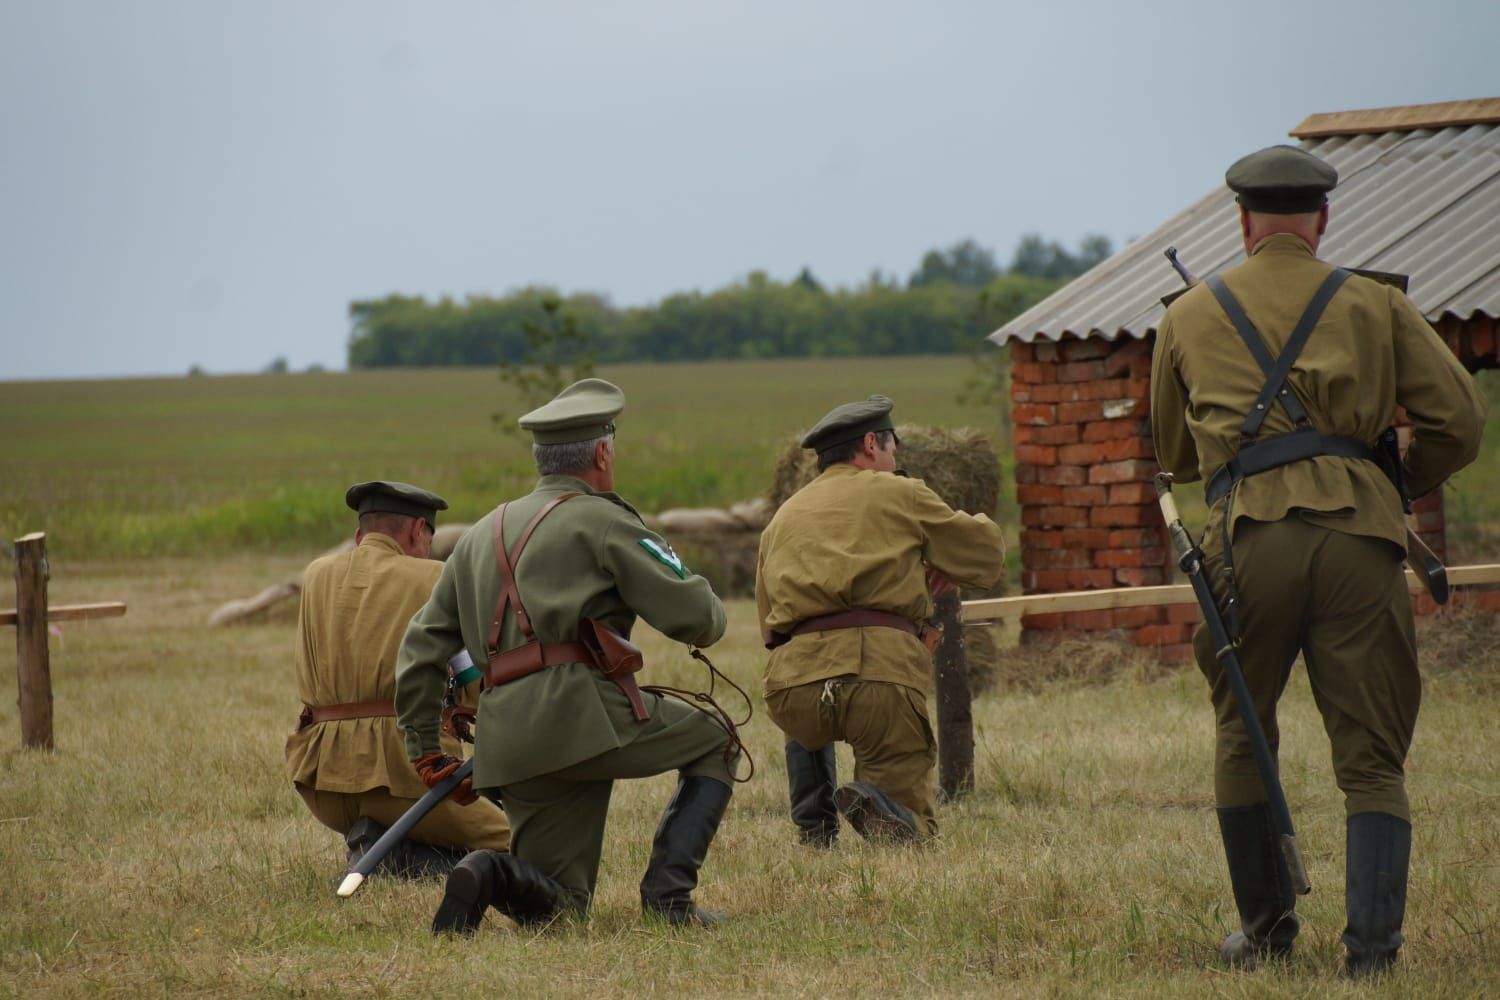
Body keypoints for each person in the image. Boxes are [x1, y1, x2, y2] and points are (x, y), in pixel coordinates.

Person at [1151, 144, 1486, 977]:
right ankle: (1372, 954)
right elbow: (1463, 421)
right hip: (1360, 541)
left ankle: (1265, 935)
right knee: (1372, 757)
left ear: (1242, 222)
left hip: (1247, 543)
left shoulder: (1188, 314)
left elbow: (1174, 455)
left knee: (1242, 728)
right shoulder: (1374, 303)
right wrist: (1395, 480)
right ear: (1323, 219)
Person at [395, 378, 737, 935]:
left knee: (560, 912)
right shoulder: (604, 520)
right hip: (587, 719)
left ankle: (487, 873)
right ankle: (669, 900)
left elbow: (420, 647)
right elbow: (700, 620)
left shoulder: (481, 533)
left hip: (509, 735)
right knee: (718, 737)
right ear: (602, 453)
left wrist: (424, 747)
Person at [756, 395, 1006, 845]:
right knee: (912, 828)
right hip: (877, 678)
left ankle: (814, 827)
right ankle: (883, 807)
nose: (894, 461)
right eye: (893, 451)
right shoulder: (899, 492)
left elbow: (768, 627)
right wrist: (939, 561)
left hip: (792, 687)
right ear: (871, 444)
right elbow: (984, 554)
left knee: (809, 719)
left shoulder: (782, 518)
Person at [285, 480, 511, 879]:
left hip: (322, 783)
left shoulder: (315, 575)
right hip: (405, 779)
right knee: (518, 845)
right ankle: (400, 860)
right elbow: (474, 686)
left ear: (360, 535)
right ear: (417, 531)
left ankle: (378, 840)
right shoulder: (433, 578)